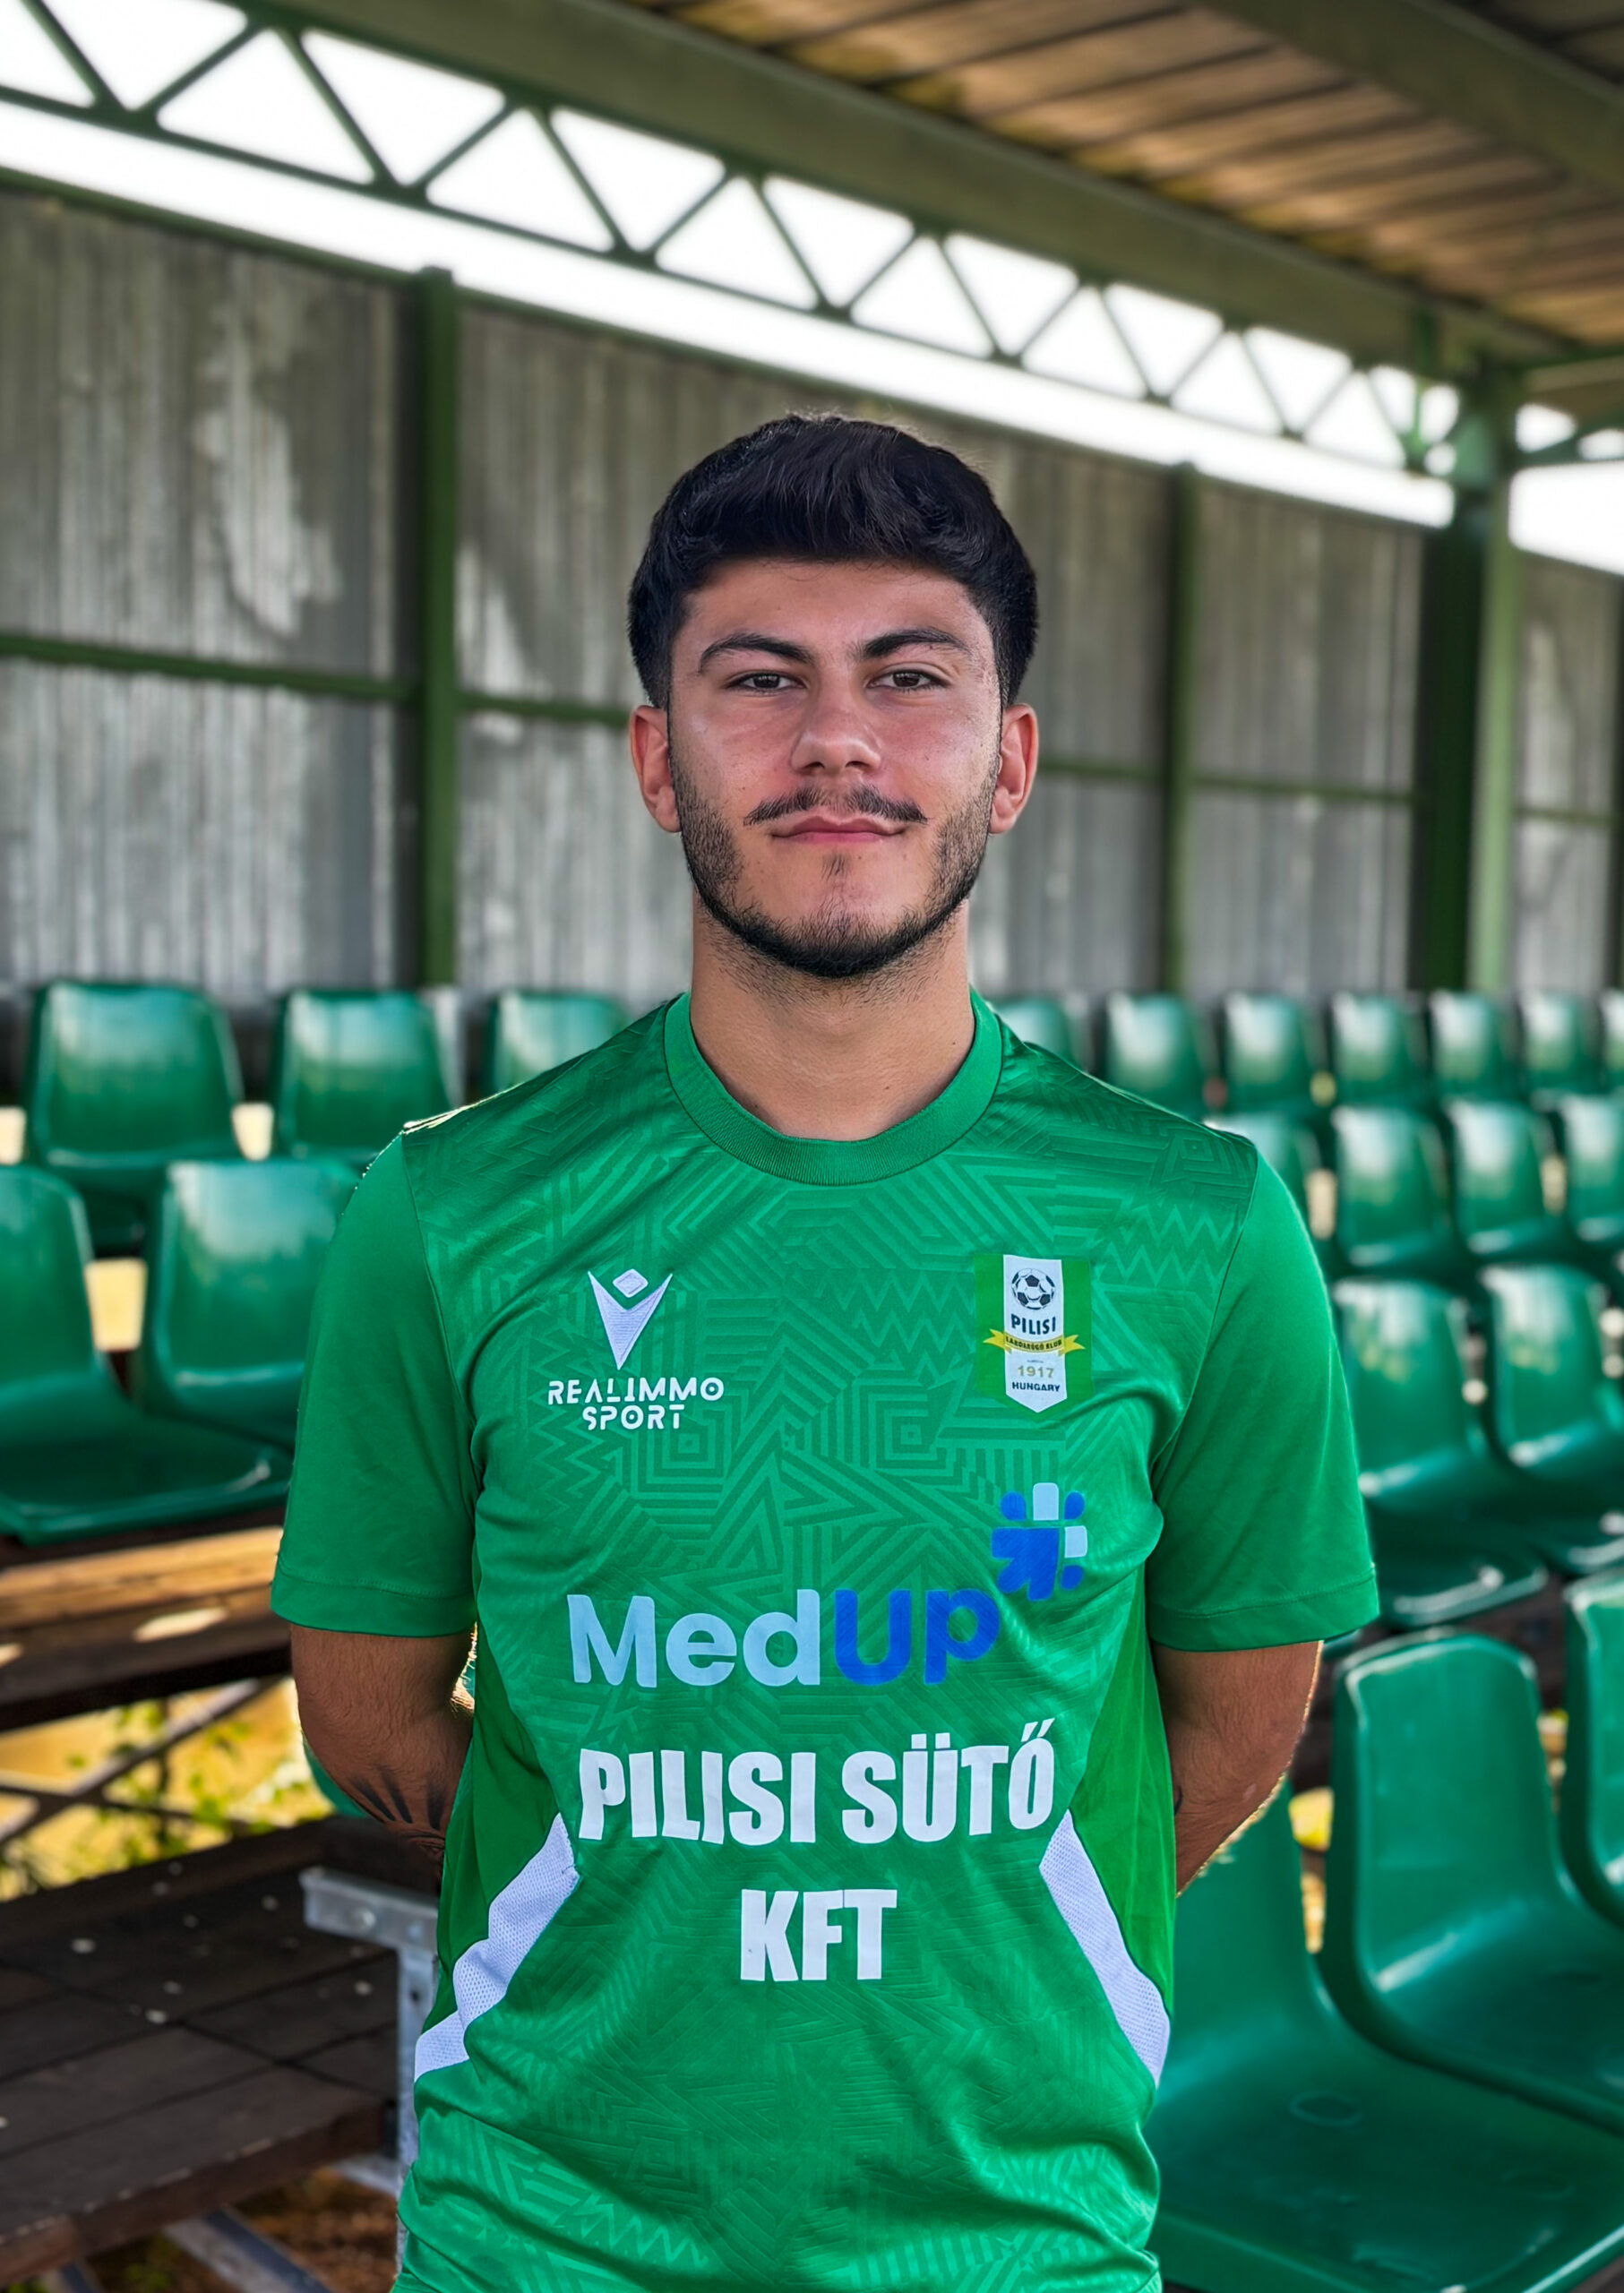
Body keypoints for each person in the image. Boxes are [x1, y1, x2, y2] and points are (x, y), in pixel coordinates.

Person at [275, 413, 1377, 2293]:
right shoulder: (451, 1212)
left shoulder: (1198, 1224)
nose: (837, 740)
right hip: (546, 2229)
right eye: (761, 679)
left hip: (1014, 2235)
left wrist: (973, 1893)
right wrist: (631, 1852)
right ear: (659, 755)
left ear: (1007, 758)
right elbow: (366, 1720)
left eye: (910, 676)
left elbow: (1232, 1729)